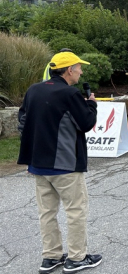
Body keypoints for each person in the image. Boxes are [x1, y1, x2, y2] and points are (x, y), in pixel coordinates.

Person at [18, 51, 103, 273]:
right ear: (69, 70)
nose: (81, 71)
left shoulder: (34, 90)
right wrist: (92, 104)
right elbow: (86, 123)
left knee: (47, 212)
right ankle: (76, 258)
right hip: (65, 164)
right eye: (78, 67)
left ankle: (51, 257)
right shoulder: (69, 93)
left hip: (37, 163)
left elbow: (23, 121)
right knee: (75, 210)